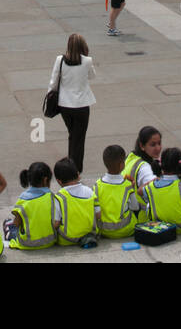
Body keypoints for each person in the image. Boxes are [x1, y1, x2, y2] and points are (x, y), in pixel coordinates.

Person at [49, 33, 96, 173]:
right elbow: (92, 76)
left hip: (65, 105)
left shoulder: (60, 60)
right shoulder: (87, 61)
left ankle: (71, 163)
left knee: (72, 134)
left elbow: (53, 81)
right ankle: (76, 169)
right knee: (79, 138)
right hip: (81, 105)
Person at [143, 147, 181, 230]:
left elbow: (140, 191)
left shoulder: (150, 186)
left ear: (161, 165)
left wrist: (156, 179)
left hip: (159, 228)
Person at [7, 161, 57, 250]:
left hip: (28, 243)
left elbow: (17, 223)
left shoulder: (23, 199)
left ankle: (7, 229)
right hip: (50, 241)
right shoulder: (51, 197)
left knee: (10, 225)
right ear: (45, 180)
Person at [94, 145, 141, 239]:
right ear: (122, 165)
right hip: (125, 229)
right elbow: (135, 207)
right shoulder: (127, 185)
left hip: (103, 229)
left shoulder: (97, 184)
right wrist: (133, 187)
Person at [52, 157, 98, 246]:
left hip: (66, 239)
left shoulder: (59, 197)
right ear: (78, 175)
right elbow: (98, 214)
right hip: (89, 234)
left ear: (59, 181)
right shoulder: (89, 191)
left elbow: (56, 223)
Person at [123, 126, 163, 199]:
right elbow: (155, 185)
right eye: (153, 145)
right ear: (142, 146)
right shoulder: (144, 167)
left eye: (159, 143)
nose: (158, 148)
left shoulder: (130, 157)